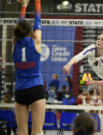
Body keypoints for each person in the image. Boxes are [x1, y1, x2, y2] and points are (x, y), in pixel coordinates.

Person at [63, 34, 103, 135]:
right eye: (98, 38)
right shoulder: (91, 49)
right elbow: (78, 56)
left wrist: (92, 82)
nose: (99, 40)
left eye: (102, 40)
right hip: (102, 80)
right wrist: (68, 64)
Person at [12, 0, 45, 135]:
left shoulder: (14, 44)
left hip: (20, 90)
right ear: (30, 31)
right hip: (35, 88)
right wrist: (37, 1)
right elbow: (38, 20)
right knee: (37, 132)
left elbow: (20, 26)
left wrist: (24, 5)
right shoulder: (35, 41)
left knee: (21, 132)